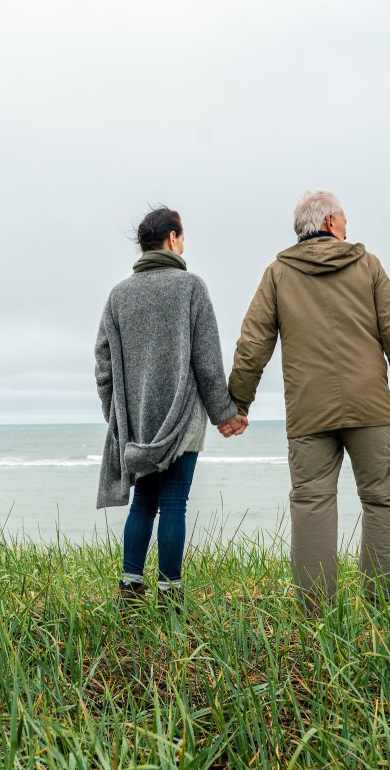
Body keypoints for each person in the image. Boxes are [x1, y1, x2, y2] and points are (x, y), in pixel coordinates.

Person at [228, 190, 390, 613]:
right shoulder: (368, 266)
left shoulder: (278, 274)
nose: (347, 227)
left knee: (312, 502)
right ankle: (383, 612)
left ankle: (316, 617)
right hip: (371, 408)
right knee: (380, 500)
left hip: (308, 412)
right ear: (332, 221)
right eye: (345, 221)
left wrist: (237, 405)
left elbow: (252, 345)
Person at [95, 206, 248, 608]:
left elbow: (103, 365)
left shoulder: (118, 296)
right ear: (174, 238)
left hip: (139, 425)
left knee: (144, 502)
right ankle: (170, 594)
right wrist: (225, 415)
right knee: (174, 503)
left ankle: (129, 588)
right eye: (183, 237)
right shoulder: (191, 287)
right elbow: (208, 362)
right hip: (182, 422)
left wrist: (118, 417)